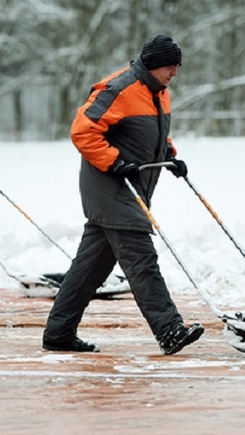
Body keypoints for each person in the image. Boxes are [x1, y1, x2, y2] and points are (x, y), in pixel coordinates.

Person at [42, 34, 203, 355]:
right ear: (153, 65)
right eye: (170, 67)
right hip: (110, 188)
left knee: (88, 270)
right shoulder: (119, 89)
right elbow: (82, 130)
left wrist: (169, 154)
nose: (175, 74)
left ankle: (59, 333)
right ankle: (169, 329)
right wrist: (114, 162)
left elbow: (148, 134)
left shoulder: (159, 93)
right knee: (142, 261)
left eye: (177, 67)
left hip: (132, 188)